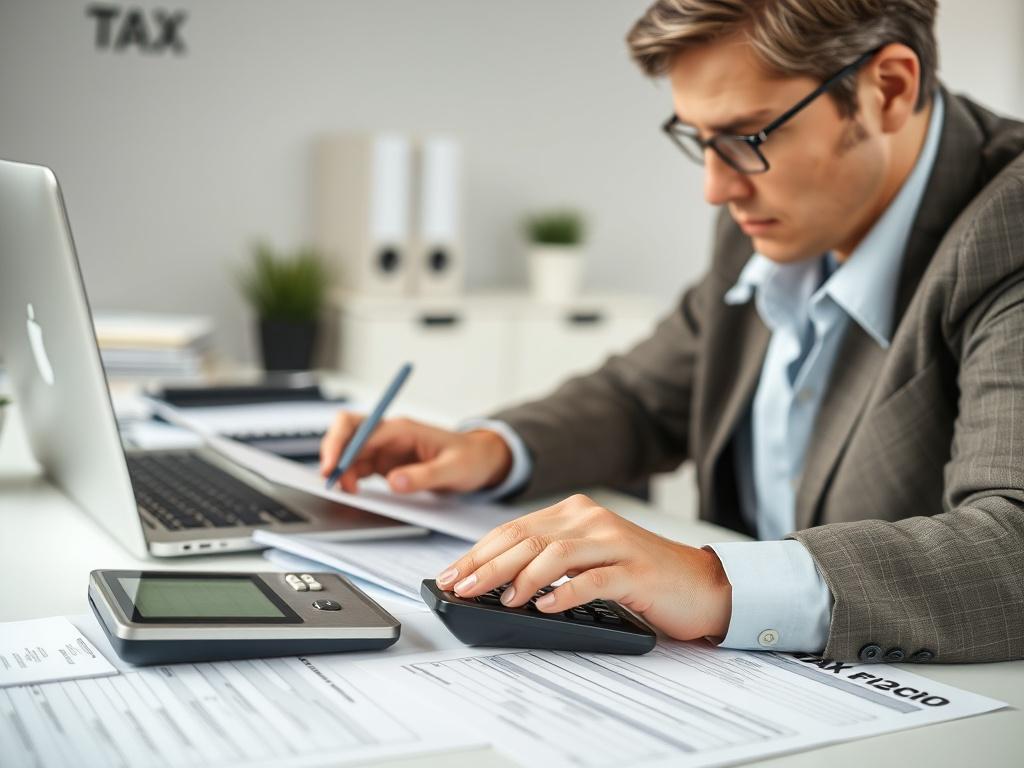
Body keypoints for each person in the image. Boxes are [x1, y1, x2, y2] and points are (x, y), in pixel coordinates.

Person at [320, 0, 1024, 663]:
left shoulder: (1008, 227)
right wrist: (489, 450)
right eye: (701, 139)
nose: (716, 188)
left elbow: (1013, 541)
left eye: (748, 136)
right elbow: (642, 396)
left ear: (890, 89)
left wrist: (712, 582)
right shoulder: (772, 213)